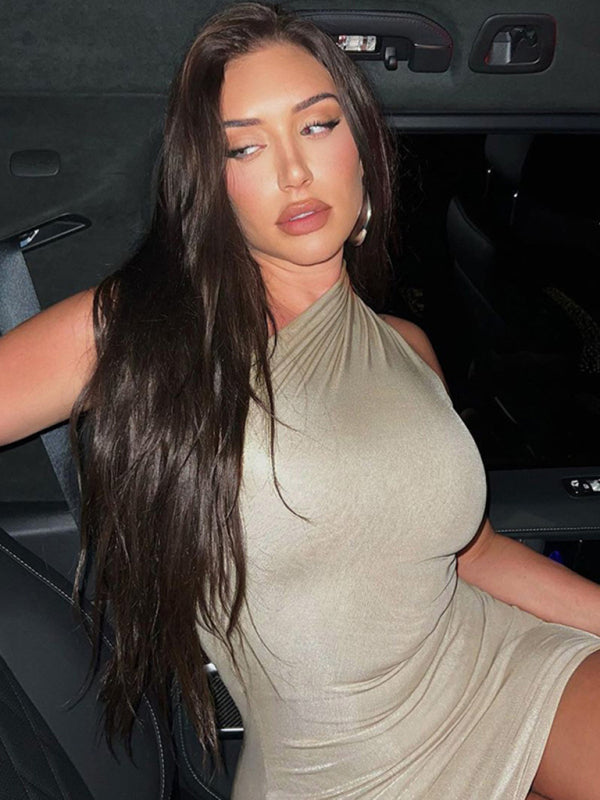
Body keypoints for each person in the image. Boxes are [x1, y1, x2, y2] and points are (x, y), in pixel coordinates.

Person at [2, 3, 600, 798]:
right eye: (245, 146)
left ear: (363, 146)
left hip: (506, 671)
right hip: (334, 769)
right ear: (212, 182)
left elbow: (476, 552)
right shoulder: (142, 331)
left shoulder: (408, 347)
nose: (292, 172)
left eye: (316, 126)